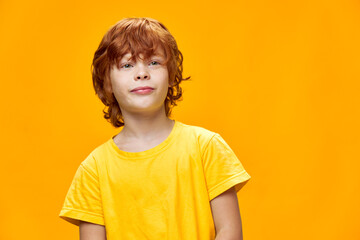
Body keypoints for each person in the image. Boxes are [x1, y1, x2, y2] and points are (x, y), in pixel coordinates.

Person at [59, 17, 251, 240]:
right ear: (107, 83)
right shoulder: (93, 170)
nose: (142, 73)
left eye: (154, 63)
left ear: (171, 74)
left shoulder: (205, 146)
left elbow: (229, 231)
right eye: (127, 65)